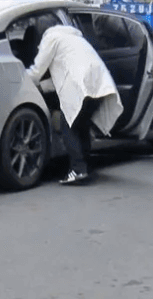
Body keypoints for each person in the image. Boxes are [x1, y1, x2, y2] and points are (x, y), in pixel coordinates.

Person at [26, 17, 123, 184]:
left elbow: (36, 71)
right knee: (82, 125)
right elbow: (62, 74)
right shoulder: (75, 38)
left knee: (68, 126)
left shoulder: (51, 38)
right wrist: (43, 87)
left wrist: (20, 79)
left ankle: (78, 169)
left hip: (80, 85)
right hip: (99, 83)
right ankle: (85, 167)